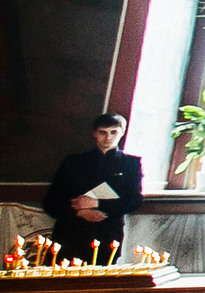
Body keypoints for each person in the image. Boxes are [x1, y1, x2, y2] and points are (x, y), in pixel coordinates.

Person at [42, 112, 142, 263]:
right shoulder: (73, 162)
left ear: (122, 133)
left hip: (107, 234)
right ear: (94, 134)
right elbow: (51, 202)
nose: (108, 138)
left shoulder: (131, 164)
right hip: (70, 232)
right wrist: (80, 212)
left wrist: (98, 204)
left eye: (113, 132)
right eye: (102, 132)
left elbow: (134, 201)